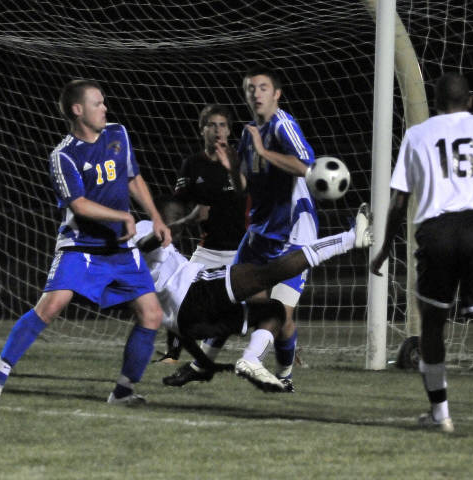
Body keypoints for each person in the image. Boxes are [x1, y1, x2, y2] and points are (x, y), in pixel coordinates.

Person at [0, 79, 172, 407]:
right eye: (98, 103)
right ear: (78, 110)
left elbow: (133, 178)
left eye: (104, 102)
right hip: (81, 246)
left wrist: (155, 217)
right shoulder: (63, 155)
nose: (105, 108)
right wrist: (122, 216)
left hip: (120, 247)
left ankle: (123, 391)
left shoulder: (118, 134)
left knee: (152, 315)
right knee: (51, 306)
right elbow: (79, 205)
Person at [370, 72, 473, 441]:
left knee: (432, 325)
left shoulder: (417, 135)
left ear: (437, 102)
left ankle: (440, 415)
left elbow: (399, 201)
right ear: (470, 100)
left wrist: (385, 247)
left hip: (435, 232)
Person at [167, 65, 321, 392]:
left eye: (263, 87)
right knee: (230, 296)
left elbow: (306, 166)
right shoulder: (250, 134)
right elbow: (244, 188)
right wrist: (232, 169)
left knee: (282, 312)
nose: (256, 93)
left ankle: (282, 374)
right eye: (250, 88)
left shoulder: (282, 125)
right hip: (260, 233)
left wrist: (264, 152)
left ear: (276, 94)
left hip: (294, 233)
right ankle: (201, 366)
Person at [135, 198, 372, 391]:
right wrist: (182, 222)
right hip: (194, 292)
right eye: (174, 215)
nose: (177, 219)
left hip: (189, 323)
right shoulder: (142, 227)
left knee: (273, 310)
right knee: (267, 273)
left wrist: (205, 363)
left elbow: (179, 330)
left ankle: (251, 359)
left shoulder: (140, 263)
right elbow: (146, 243)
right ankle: (349, 239)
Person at [157, 104, 247, 372]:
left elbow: (247, 194)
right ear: (202, 130)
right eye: (212, 125)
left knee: (258, 303)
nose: (218, 130)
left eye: (222, 125)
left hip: (243, 250)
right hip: (208, 248)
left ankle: (286, 350)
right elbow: (179, 203)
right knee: (178, 295)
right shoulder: (192, 165)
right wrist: (181, 221)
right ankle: (172, 354)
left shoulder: (239, 160)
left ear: (229, 131)